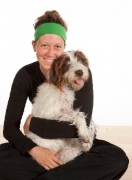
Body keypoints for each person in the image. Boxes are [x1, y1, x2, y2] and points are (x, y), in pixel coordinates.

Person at [0, 10, 129, 180]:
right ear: (34, 46)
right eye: (44, 45)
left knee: (116, 157)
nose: (50, 53)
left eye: (57, 47)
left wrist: (34, 124)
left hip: (72, 143)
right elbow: (9, 128)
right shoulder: (25, 75)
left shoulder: (79, 74)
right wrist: (36, 150)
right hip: (41, 143)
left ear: (64, 47)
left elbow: (81, 130)